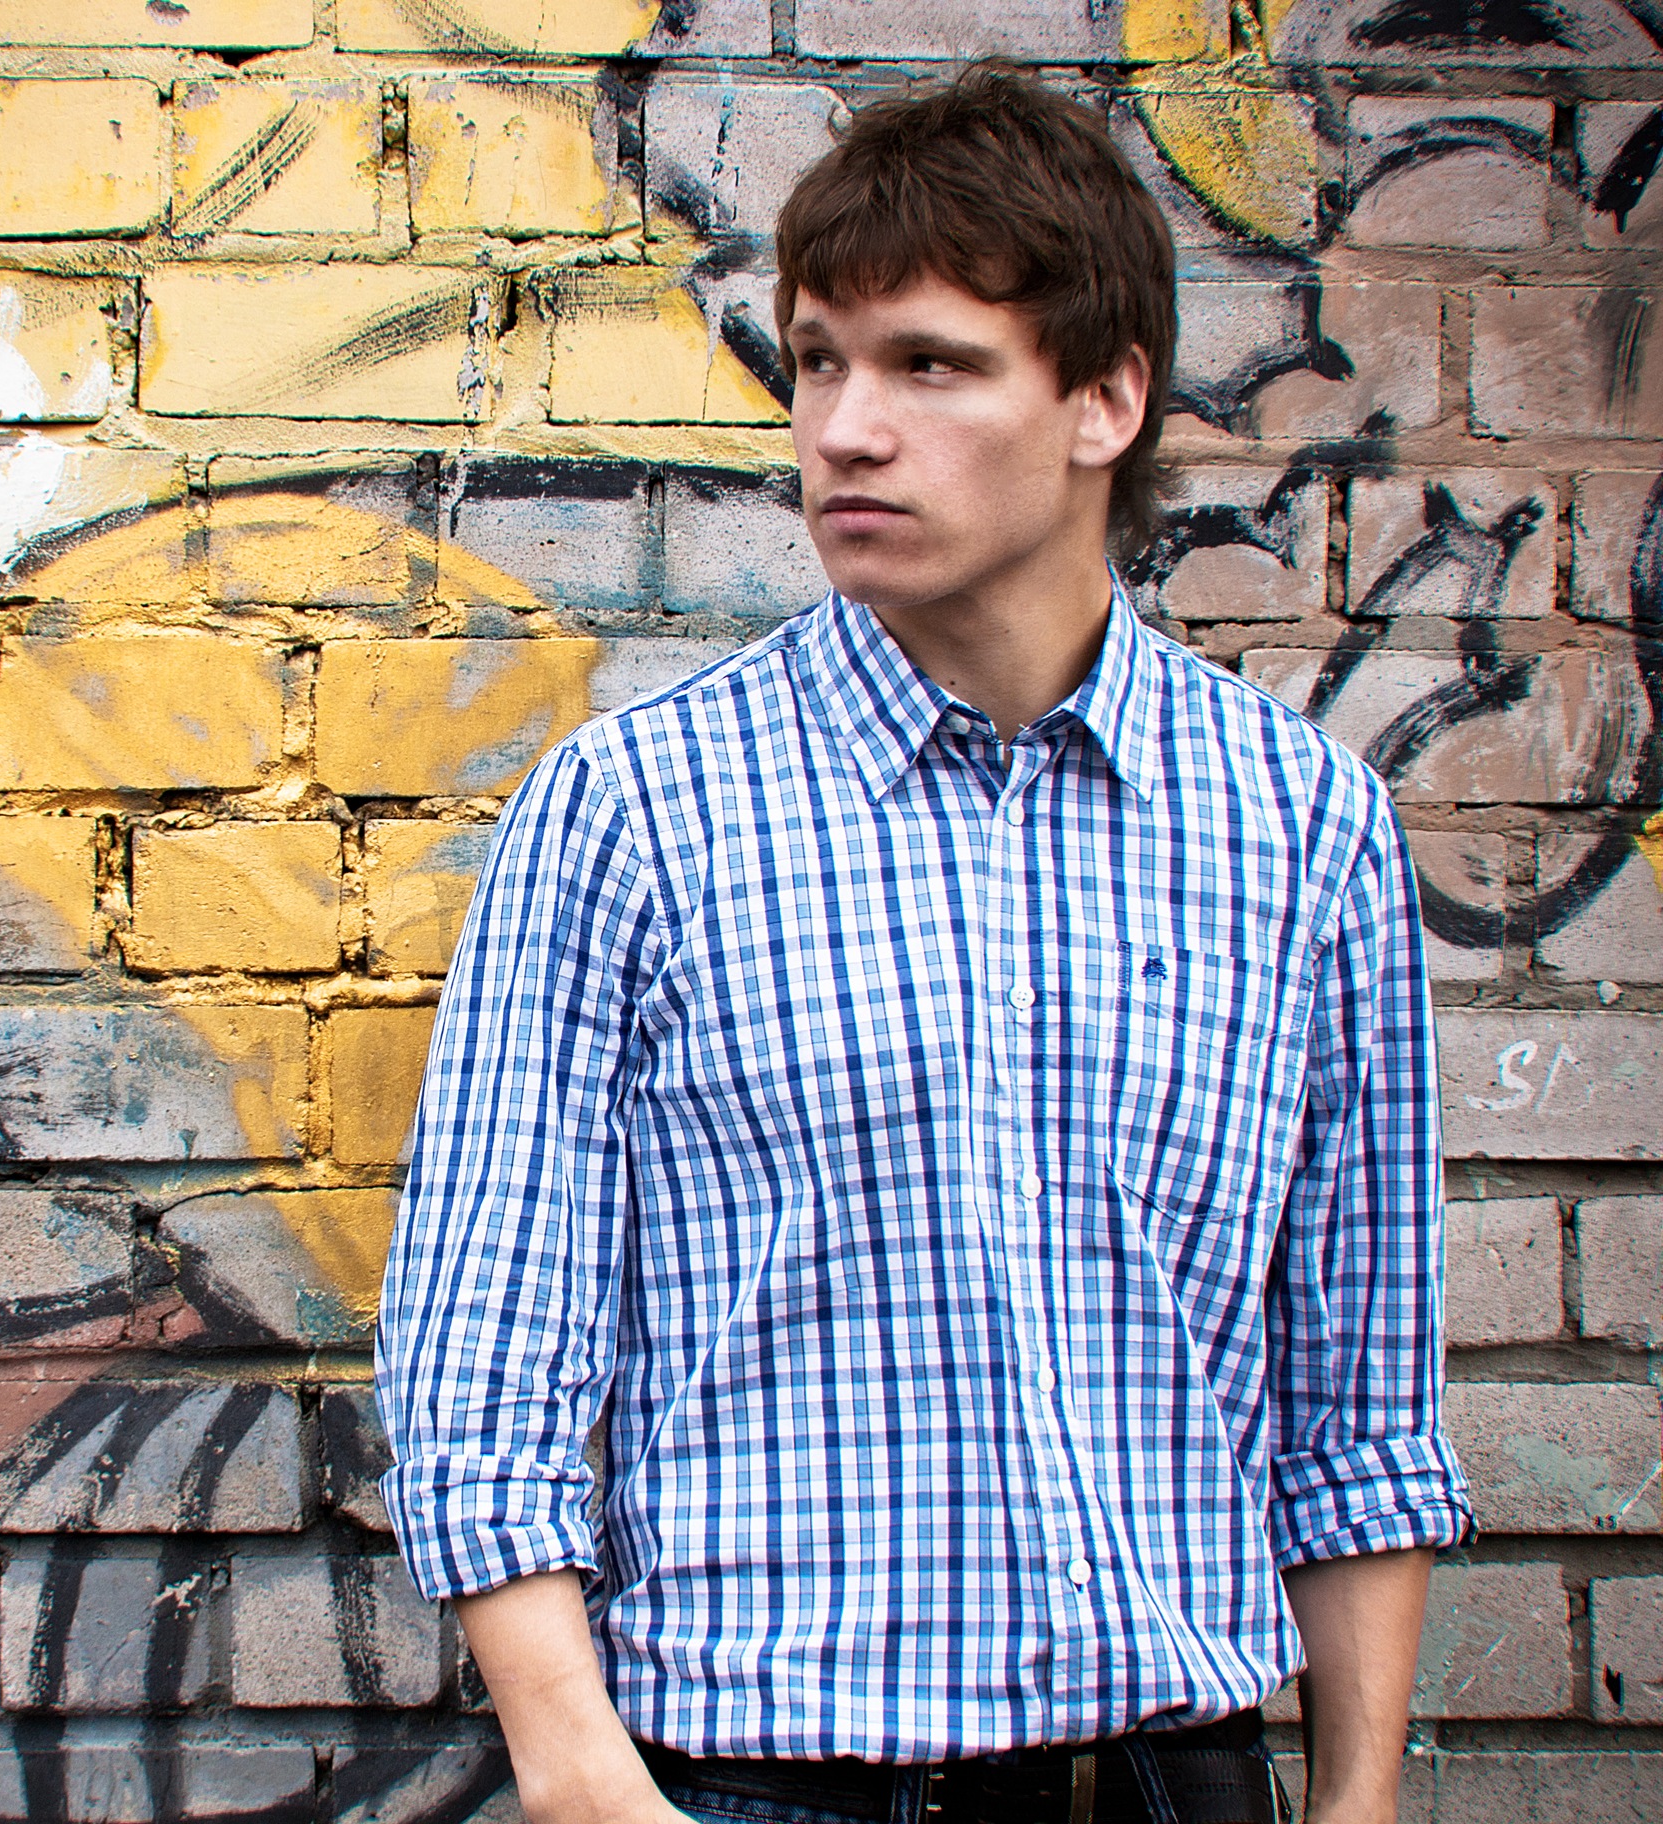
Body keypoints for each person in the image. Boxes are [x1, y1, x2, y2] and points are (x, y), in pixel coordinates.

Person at [373, 65, 1469, 1824]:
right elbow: (482, 1360)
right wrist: (584, 1781)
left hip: (1169, 1778)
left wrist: (1356, 1804)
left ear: (1104, 400)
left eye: (929, 366)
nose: (845, 429)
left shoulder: (1299, 826)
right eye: (820, 361)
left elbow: (1361, 1399)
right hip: (756, 1785)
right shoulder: (640, 810)